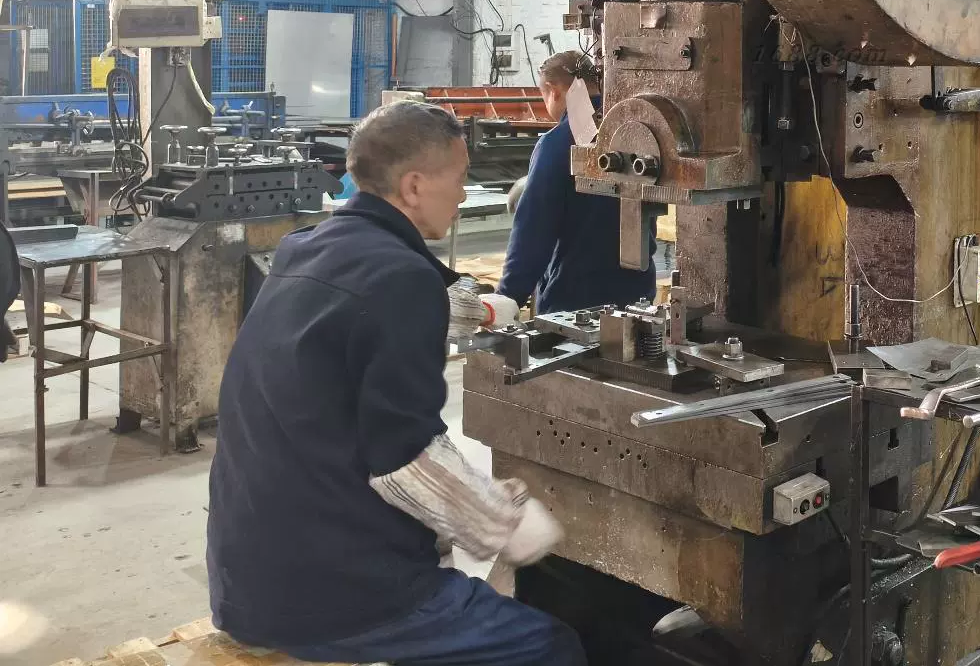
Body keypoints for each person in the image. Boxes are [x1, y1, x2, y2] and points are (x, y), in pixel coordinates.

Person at [207, 101, 585, 666]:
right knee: (549, 646)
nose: (463, 194)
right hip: (330, 595)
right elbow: (406, 461)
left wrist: (484, 311)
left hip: (248, 575)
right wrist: (505, 525)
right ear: (413, 186)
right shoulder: (400, 279)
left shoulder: (308, 248)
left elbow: (374, 311)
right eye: (458, 179)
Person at [498, 52, 655, 312]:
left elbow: (534, 232)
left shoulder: (555, 144)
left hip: (575, 301)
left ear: (553, 91)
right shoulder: (635, 133)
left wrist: (508, 297)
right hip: (638, 297)